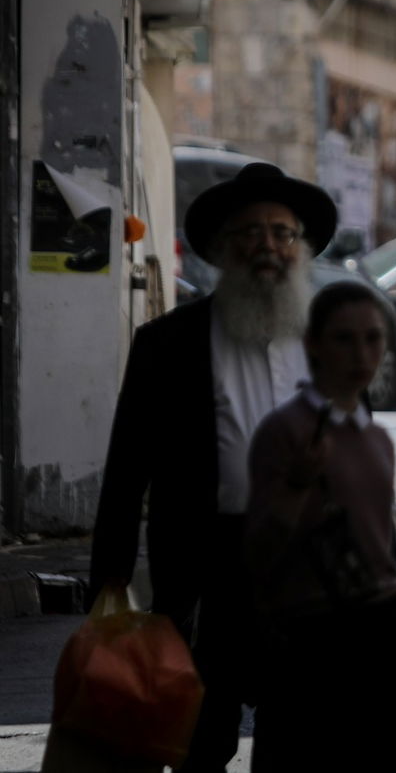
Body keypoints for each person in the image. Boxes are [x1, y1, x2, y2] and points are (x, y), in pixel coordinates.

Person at [89, 162, 337, 771]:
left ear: (299, 249)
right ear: (224, 249)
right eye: (251, 232)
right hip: (208, 570)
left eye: (282, 233)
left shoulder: (326, 343)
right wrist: (110, 578)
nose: (268, 247)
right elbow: (127, 470)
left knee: (297, 737)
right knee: (200, 737)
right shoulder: (166, 345)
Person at [243, 281, 396, 771]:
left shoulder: (378, 439)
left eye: (373, 339)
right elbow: (259, 550)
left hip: (384, 624)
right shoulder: (285, 431)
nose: (361, 354)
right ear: (313, 344)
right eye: (344, 340)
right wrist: (296, 485)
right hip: (312, 635)